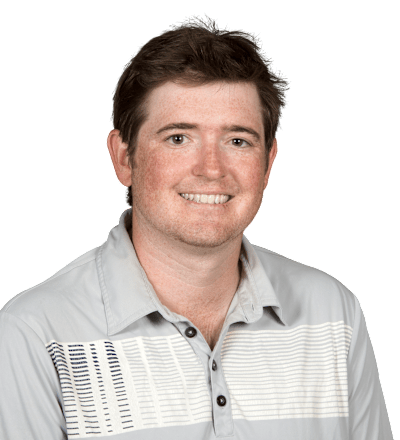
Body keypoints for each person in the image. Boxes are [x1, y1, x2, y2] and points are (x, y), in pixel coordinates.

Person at [0, 17, 393, 440]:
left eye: (238, 141)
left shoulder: (334, 312)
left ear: (268, 163)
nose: (211, 169)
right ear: (124, 158)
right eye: (178, 138)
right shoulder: (34, 333)